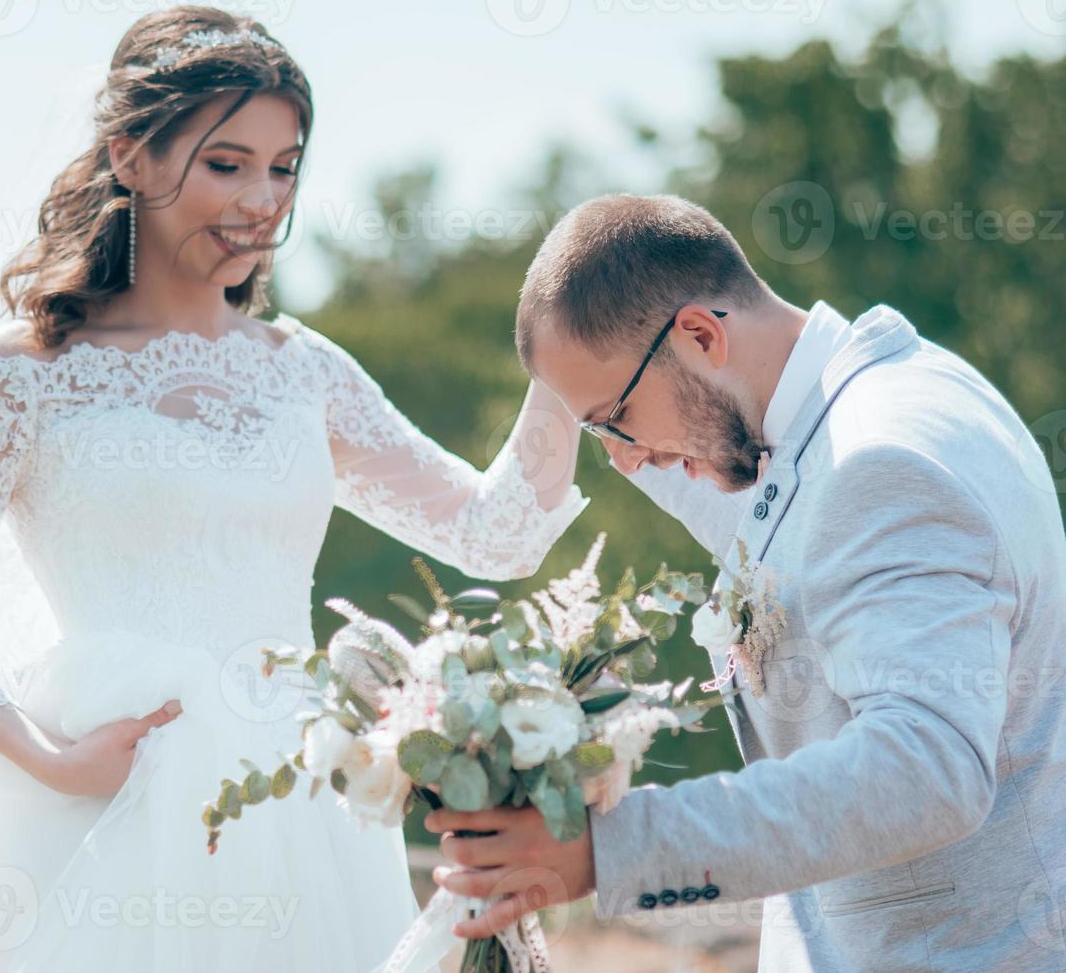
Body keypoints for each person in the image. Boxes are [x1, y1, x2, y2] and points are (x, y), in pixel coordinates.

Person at [0, 7, 588, 971]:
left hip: (296, 808)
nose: (262, 198)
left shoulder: (304, 371)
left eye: (284, 167)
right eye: (227, 164)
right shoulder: (21, 373)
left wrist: (565, 337)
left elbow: (498, 534)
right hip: (98, 799)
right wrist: (49, 761)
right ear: (131, 157)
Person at [427, 193, 1066, 971]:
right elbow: (733, 484)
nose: (625, 458)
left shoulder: (877, 463)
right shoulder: (863, 402)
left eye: (616, 420)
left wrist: (607, 848)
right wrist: (583, 355)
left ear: (700, 333)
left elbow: (926, 767)